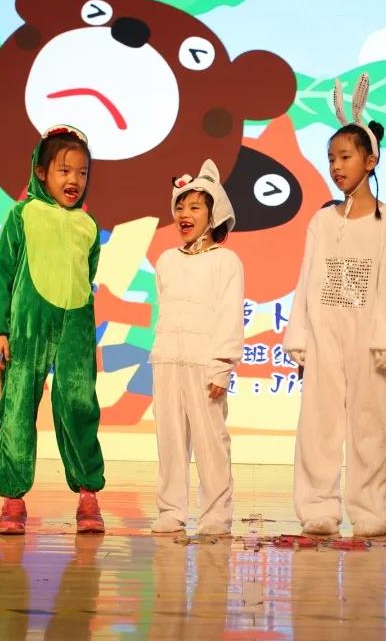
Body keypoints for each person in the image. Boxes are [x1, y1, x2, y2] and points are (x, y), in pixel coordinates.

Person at [283, 73, 386, 537]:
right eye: (331, 159)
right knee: (318, 423)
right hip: (324, 333)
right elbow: (307, 281)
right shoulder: (322, 221)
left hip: (366, 337)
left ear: (370, 160)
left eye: (345, 157)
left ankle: (370, 510)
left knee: (369, 425)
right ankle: (317, 507)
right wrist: (300, 336)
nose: (336, 167)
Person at [0, 125, 105, 534]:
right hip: (27, 327)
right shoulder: (21, 215)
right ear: (41, 172)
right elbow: (1, 275)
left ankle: (88, 494)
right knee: (18, 406)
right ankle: (13, 499)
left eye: (82, 173)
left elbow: (87, 274)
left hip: (75, 327)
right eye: (64, 171)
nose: (74, 180)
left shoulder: (88, 225)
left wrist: (82, 327)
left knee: (79, 405)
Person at [148, 160, 244, 536]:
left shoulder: (226, 261)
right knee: (170, 441)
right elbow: (165, 307)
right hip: (167, 359)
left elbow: (229, 315)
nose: (184, 214)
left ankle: (216, 515)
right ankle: (171, 511)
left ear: (213, 212)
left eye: (194, 207)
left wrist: (222, 365)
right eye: (179, 207)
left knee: (210, 441)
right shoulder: (166, 260)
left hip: (205, 364)